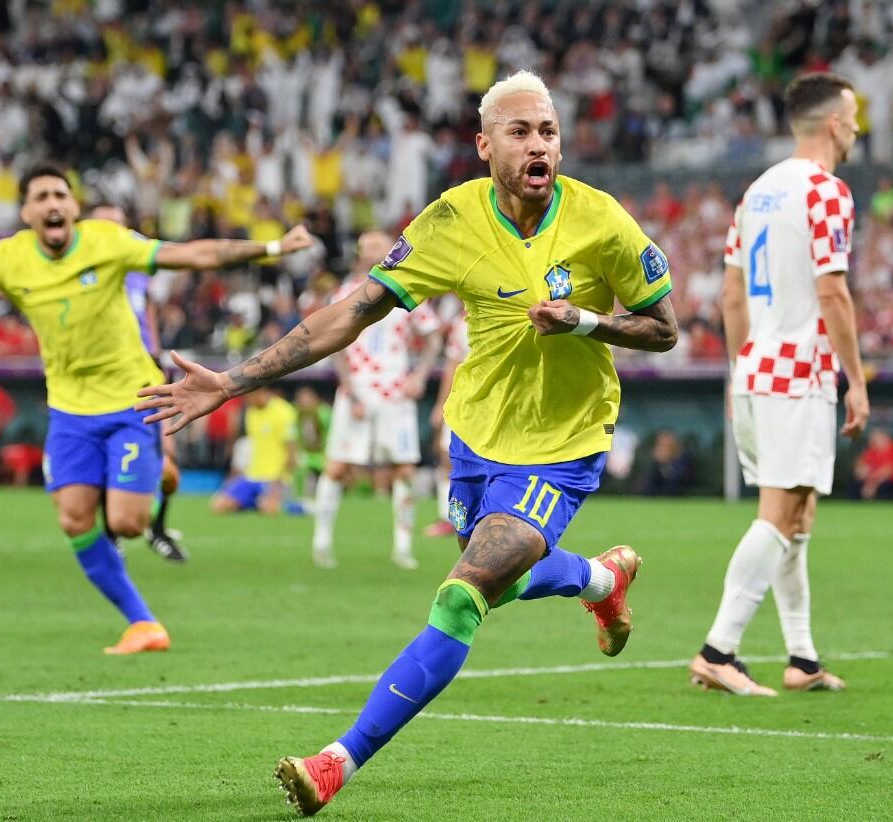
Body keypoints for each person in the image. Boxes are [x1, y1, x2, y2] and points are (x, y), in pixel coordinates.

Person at [136, 70, 677, 815]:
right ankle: (600, 581)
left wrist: (587, 321)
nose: (538, 144)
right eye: (520, 132)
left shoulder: (602, 221)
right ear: (486, 145)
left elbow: (664, 328)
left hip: (566, 441)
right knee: (503, 577)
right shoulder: (451, 220)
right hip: (478, 437)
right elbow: (350, 313)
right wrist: (234, 379)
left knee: (462, 595)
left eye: (547, 130)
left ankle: (337, 761)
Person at [0, 162, 313, 654]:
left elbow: (197, 255)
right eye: (40, 197)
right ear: (26, 213)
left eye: (59, 195)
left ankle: (152, 495)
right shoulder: (11, 258)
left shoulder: (107, 242)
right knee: (74, 520)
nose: (52, 205)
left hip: (130, 399)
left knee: (129, 523)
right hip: (69, 411)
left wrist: (272, 247)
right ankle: (143, 623)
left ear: (73, 207)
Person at [690, 73, 869, 698]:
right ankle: (720, 649)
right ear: (831, 124)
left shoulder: (758, 191)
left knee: (799, 514)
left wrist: (745, 367)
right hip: (800, 373)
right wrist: (856, 379)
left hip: (755, 371)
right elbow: (833, 291)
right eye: (852, 117)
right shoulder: (826, 191)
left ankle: (802, 657)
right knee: (781, 510)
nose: (857, 128)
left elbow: (731, 293)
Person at [311, 230, 443, 571]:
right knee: (338, 466)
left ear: (390, 250)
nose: (370, 250)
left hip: (395, 393)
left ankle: (402, 547)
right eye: (365, 246)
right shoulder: (344, 293)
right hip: (356, 391)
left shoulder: (409, 290)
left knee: (403, 469)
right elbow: (332, 343)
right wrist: (349, 387)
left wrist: (418, 376)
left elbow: (432, 338)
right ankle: (321, 541)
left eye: (377, 245)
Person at [89, 202, 186, 563]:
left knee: (170, 464)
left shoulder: (137, 262)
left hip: (145, 367)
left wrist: (157, 355)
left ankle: (158, 530)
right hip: (105, 373)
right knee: (104, 457)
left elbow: (147, 309)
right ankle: (111, 534)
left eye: (120, 225)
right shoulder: (82, 268)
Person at [210, 387, 298, 515]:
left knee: (269, 510)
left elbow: (291, 453)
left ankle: (296, 506)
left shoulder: (283, 411)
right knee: (218, 506)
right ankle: (254, 502)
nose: (246, 401)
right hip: (251, 477)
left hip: (274, 479)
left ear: (259, 392)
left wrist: (279, 482)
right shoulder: (251, 412)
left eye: (248, 397)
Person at [424, 307, 469, 537]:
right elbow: (452, 366)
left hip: (495, 406)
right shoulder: (460, 325)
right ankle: (448, 518)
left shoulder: (503, 316)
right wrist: (441, 405)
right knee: (446, 459)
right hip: (462, 403)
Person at [293, 385, 332, 499]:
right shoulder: (297, 414)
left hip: (323, 453)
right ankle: (303, 498)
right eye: (301, 399)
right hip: (307, 454)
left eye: (307, 398)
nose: (304, 402)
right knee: (301, 469)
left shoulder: (324, 412)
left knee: (326, 477)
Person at [850, 427, 893, 501]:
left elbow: (888, 472)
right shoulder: (872, 450)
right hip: (872, 480)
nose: (872, 441)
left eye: (876, 438)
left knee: (885, 487)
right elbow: (859, 467)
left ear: (885, 438)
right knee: (855, 484)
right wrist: (861, 472)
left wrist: (872, 484)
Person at [641, 430, 695, 496]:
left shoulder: (683, 457)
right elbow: (651, 479)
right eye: (661, 444)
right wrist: (660, 463)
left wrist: (666, 464)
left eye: (666, 443)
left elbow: (680, 478)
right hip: (658, 490)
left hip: (678, 490)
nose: (664, 446)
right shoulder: (657, 459)